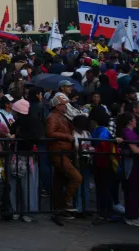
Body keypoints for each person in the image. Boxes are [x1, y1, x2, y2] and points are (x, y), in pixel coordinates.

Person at [45, 93, 81, 221]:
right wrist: (67, 136)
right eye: (63, 105)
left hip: (63, 152)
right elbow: (50, 132)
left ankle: (59, 207)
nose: (66, 107)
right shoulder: (53, 117)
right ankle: (64, 204)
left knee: (58, 182)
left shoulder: (61, 116)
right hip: (58, 153)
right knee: (76, 177)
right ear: (57, 106)